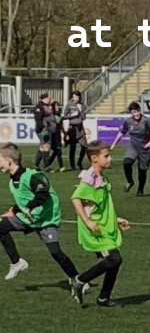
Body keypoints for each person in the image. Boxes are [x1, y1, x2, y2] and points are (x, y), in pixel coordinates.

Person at [0, 143, 79, 282]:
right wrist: (13, 211)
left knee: (55, 252)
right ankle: (17, 263)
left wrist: (29, 208)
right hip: (28, 218)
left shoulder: (32, 176)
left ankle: (76, 278)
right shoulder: (12, 181)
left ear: (9, 160)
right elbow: (24, 201)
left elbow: (42, 194)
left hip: (46, 220)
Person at [70, 141, 130, 307]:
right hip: (95, 230)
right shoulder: (89, 180)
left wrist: (115, 219)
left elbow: (101, 206)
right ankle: (80, 280)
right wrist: (87, 221)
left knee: (114, 261)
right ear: (94, 158)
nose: (110, 159)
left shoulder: (101, 178)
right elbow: (75, 199)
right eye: (106, 156)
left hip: (104, 226)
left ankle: (104, 297)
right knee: (114, 259)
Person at [111, 102, 150, 197]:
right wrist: (114, 143)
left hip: (145, 148)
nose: (136, 114)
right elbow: (122, 132)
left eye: (137, 111)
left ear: (140, 111)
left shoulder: (146, 120)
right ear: (131, 113)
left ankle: (140, 189)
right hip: (133, 145)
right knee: (127, 162)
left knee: (142, 170)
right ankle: (130, 181)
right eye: (134, 112)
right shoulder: (128, 121)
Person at [64, 91, 88, 171]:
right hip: (72, 128)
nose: (75, 99)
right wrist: (72, 115)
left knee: (84, 146)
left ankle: (79, 162)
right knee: (72, 147)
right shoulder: (69, 105)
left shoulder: (82, 106)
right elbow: (65, 116)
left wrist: (81, 111)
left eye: (77, 97)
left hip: (80, 128)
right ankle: (72, 165)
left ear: (80, 97)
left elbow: (84, 118)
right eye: (74, 97)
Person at [34, 93, 55, 170]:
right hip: (43, 130)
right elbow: (38, 119)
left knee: (42, 147)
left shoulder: (46, 106)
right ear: (45, 98)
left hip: (47, 129)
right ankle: (46, 166)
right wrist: (42, 128)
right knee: (46, 146)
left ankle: (36, 165)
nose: (50, 99)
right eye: (49, 98)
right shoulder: (40, 106)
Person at [46, 101, 66, 172]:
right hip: (53, 135)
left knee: (56, 151)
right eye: (56, 106)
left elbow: (61, 125)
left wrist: (64, 133)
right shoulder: (52, 115)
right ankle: (61, 166)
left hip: (58, 135)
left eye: (58, 106)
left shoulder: (59, 114)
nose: (58, 107)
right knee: (58, 151)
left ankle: (47, 164)